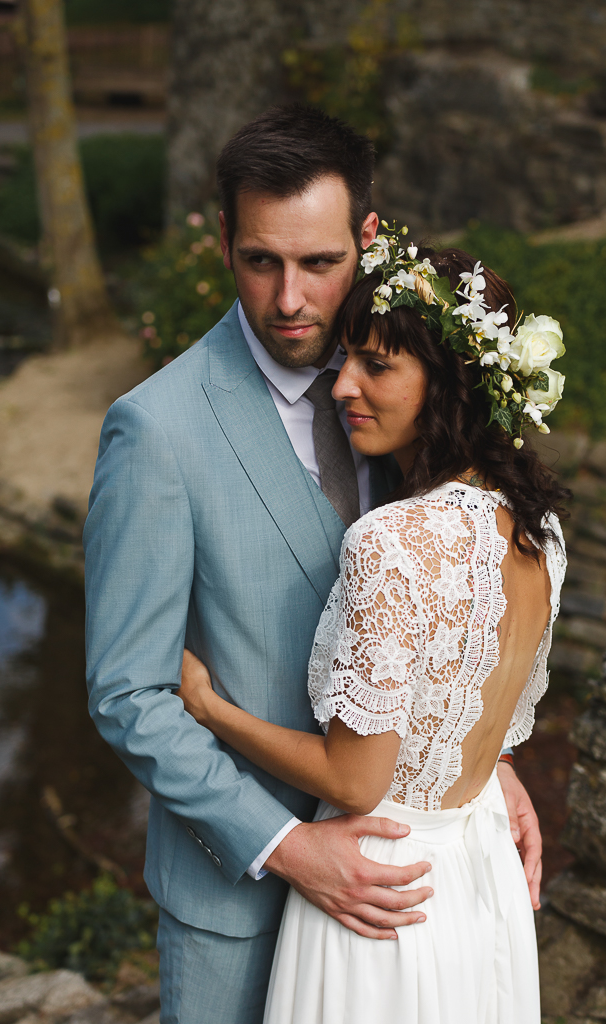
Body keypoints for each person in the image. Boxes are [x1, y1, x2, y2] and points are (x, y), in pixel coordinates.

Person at [84, 106, 544, 1024]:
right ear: (223, 240)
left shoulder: (400, 397)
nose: (289, 299)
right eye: (260, 260)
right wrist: (287, 843)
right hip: (239, 906)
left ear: (366, 239)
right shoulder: (156, 432)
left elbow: (440, 614)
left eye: (319, 264)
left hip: (402, 907)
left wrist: (469, 754)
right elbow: (126, 694)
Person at [177, 236, 569, 1022]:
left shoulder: (391, 542)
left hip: (380, 888)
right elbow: (471, 722)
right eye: (345, 358)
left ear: (452, 385)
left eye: (377, 366)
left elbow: (359, 781)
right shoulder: (541, 533)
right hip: (473, 874)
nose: (341, 386)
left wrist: (209, 707)